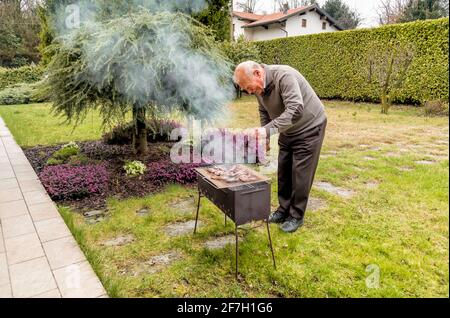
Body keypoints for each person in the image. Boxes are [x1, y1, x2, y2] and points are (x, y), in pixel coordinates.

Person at [233, 61, 327, 233]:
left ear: (257, 74)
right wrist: (266, 137)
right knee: (283, 170)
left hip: (309, 126)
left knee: (300, 173)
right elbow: (264, 111)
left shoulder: (284, 76)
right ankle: (283, 211)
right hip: (288, 129)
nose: (248, 92)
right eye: (246, 89)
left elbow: (296, 110)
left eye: (248, 87)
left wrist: (264, 131)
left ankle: (296, 216)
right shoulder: (259, 87)